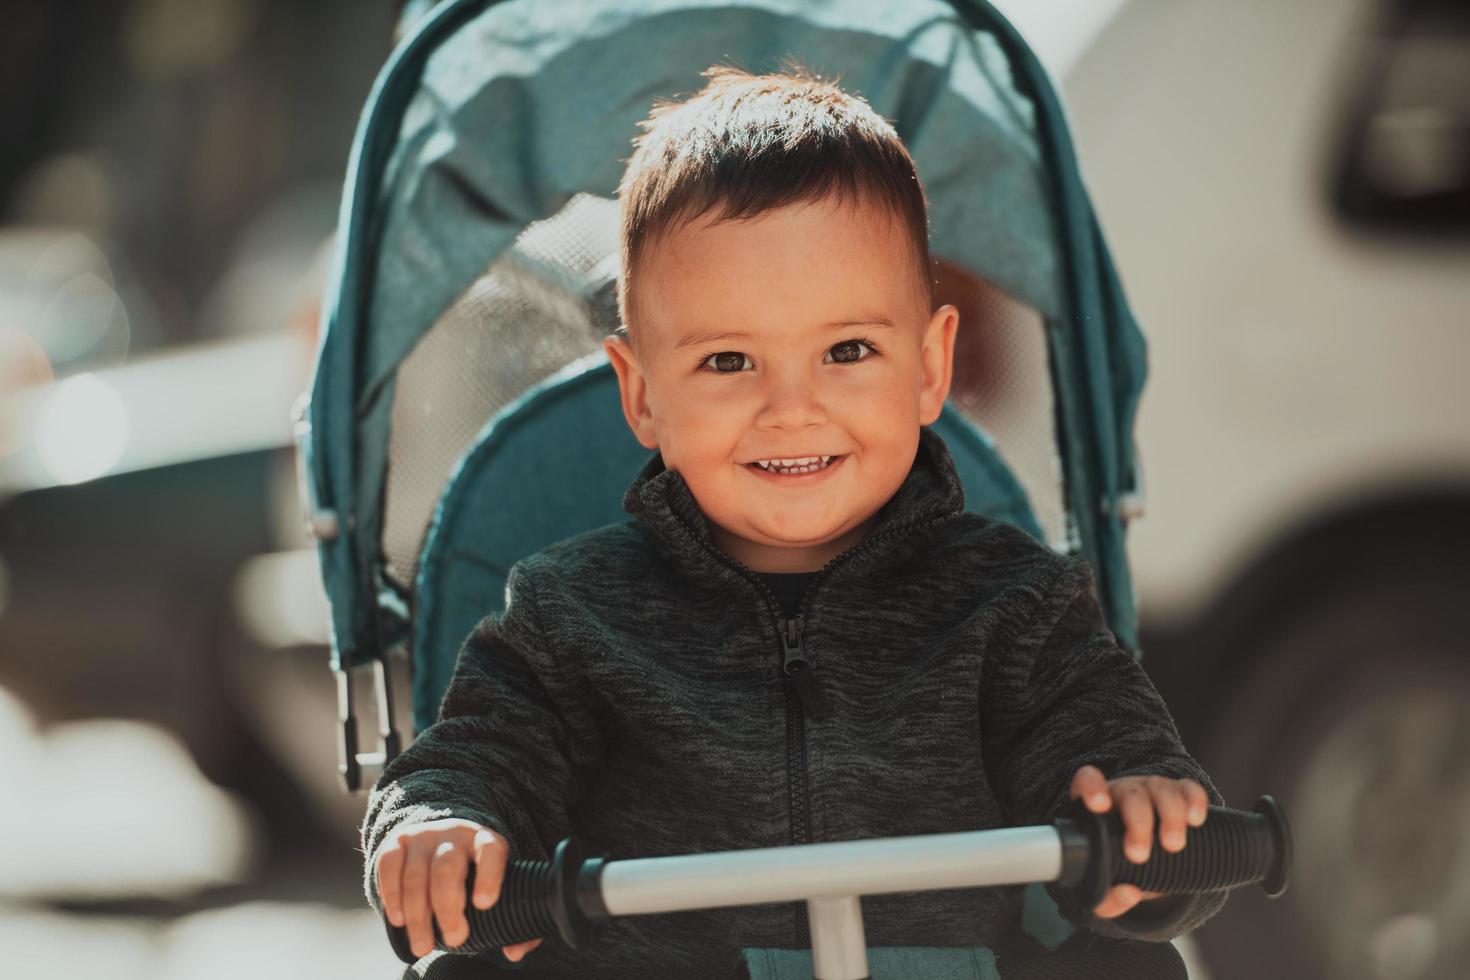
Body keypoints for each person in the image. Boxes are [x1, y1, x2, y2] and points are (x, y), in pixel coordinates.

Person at [363, 65, 1226, 977]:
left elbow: (1109, 741)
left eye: (847, 351)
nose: (791, 408)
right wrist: (442, 825)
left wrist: (1145, 823)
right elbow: (476, 758)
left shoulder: (1017, 604)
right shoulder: (569, 615)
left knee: (1140, 960)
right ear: (642, 394)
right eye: (730, 360)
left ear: (931, 366)